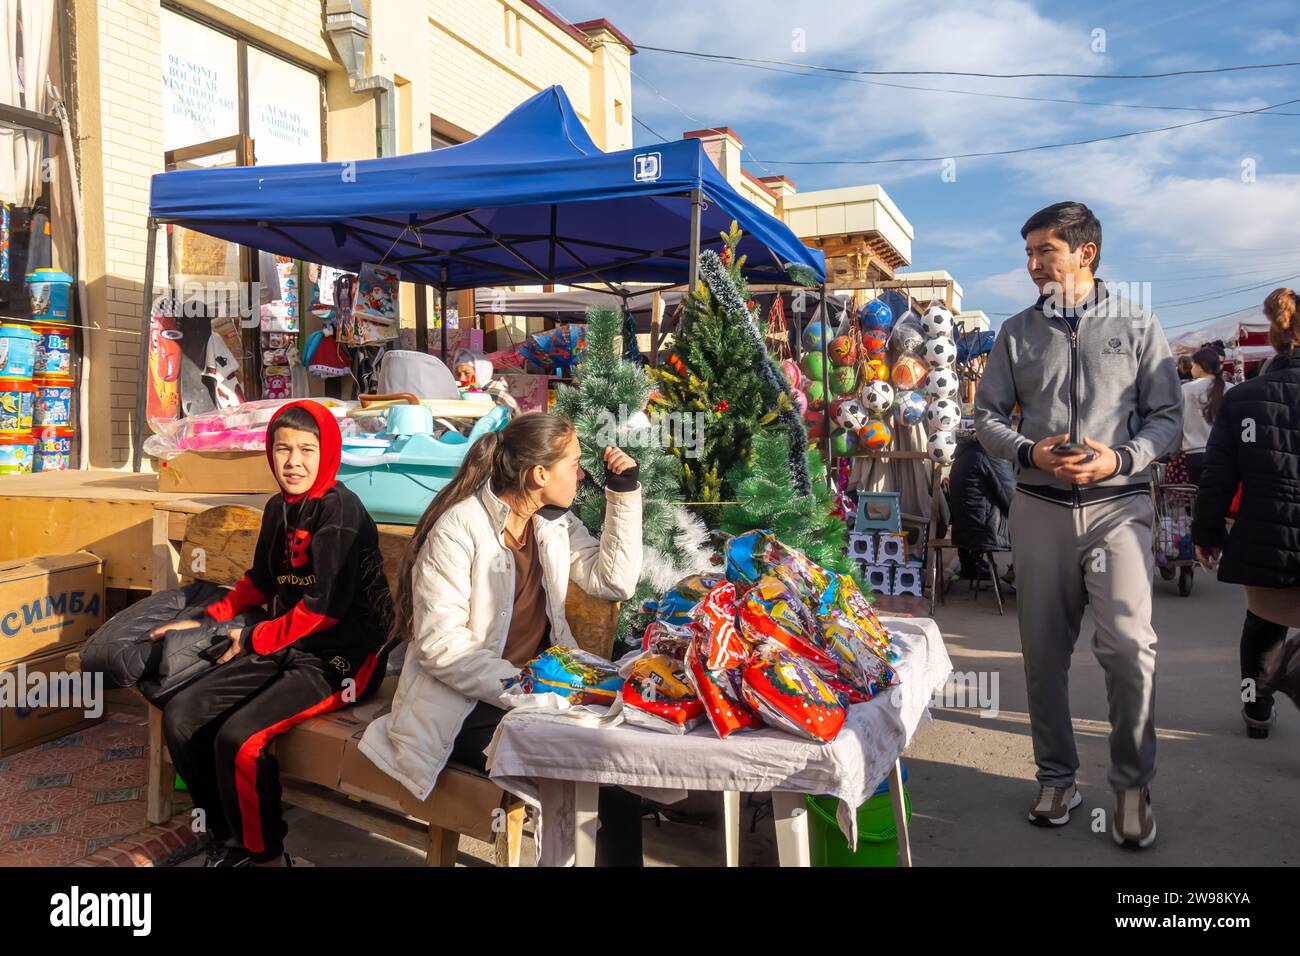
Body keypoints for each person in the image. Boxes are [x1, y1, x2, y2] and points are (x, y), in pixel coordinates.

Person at [974, 201, 1182, 849]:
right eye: (1030, 253)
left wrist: (1121, 458)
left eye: (1045, 252)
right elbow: (985, 420)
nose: (1033, 265)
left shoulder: (1139, 324)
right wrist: (1029, 452)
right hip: (1038, 510)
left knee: (1128, 650)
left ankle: (1130, 786)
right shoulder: (1014, 333)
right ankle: (1057, 778)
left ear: (1084, 253)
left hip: (1120, 509)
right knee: (1041, 654)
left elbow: (1168, 421)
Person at [359, 413, 646, 866]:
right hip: (462, 706)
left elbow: (615, 582)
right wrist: (525, 687)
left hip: (536, 696)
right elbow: (440, 647)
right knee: (592, 779)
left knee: (619, 776)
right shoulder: (460, 529)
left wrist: (624, 495)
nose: (582, 473)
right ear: (539, 475)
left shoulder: (552, 524)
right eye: (573, 463)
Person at [156, 402, 393, 867]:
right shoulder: (278, 508)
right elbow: (260, 583)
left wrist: (255, 638)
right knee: (182, 715)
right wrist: (207, 619)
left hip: (342, 660)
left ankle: (266, 857)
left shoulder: (340, 511)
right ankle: (228, 838)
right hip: (284, 642)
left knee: (240, 738)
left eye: (307, 449)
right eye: (282, 449)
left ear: (328, 453)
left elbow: (324, 610)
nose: (293, 462)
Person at [1192, 288, 1300, 739]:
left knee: (1262, 626)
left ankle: (1256, 710)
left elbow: (1219, 478)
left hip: (1264, 540)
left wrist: (1208, 534)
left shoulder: (1243, 399)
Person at [948, 429, 1015, 584]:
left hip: (967, 531)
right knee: (1040, 528)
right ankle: (1021, 576)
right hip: (984, 530)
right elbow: (1011, 498)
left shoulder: (965, 452)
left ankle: (1016, 573)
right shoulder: (989, 454)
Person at [1181, 347, 1230, 486]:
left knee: (1198, 500)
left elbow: (1178, 422)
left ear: (1201, 367)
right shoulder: (1230, 388)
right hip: (1225, 454)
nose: (1191, 368)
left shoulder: (1185, 389)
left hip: (1194, 455)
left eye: (1193, 364)